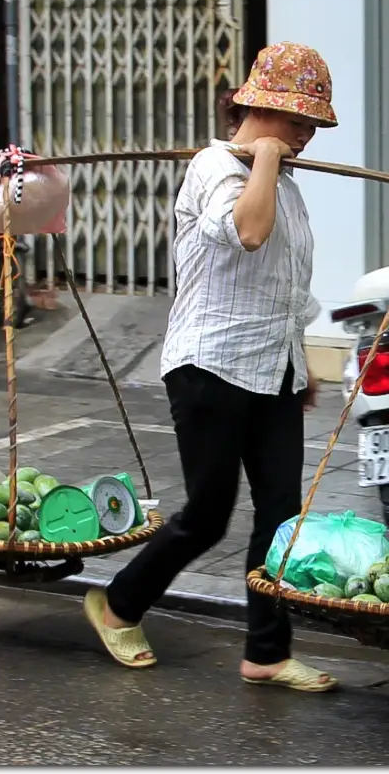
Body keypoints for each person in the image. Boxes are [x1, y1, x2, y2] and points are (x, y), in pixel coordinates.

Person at [82, 42, 340, 693]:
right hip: (210, 366)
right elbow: (249, 232)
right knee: (208, 513)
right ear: (260, 109)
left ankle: (267, 652)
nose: (306, 137)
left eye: (313, 127)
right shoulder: (213, 167)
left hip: (272, 367)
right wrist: (269, 160)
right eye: (298, 123)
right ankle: (117, 605)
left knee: (281, 516)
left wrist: (300, 362)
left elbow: (283, 282)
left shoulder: (282, 181)